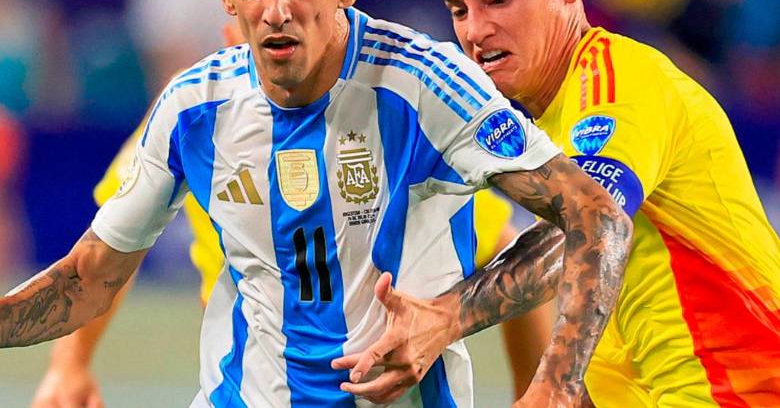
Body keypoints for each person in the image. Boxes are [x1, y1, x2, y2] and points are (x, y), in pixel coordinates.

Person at [0, 0, 631, 407]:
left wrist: (536, 372)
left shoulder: (427, 86)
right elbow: (89, 278)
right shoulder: (193, 107)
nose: (276, 8)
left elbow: (595, 216)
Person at [334, 0, 780, 407]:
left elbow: (591, 224)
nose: (476, 31)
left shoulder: (617, 86)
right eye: (458, 10)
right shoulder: (544, 130)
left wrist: (449, 319)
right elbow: (606, 294)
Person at [31, 24, 544, 406]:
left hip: (377, 387)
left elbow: (502, 243)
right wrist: (69, 363)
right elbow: (114, 250)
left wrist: (531, 388)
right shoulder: (192, 112)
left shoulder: (389, 126)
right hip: (250, 376)